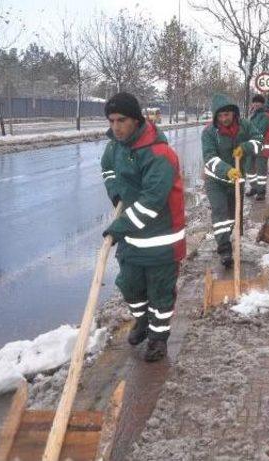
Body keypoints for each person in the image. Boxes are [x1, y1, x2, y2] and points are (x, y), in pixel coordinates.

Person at [101, 92, 186, 362]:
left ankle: (158, 338)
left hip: (161, 240)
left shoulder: (159, 155)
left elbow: (151, 203)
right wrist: (116, 193)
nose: (115, 127)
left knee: (160, 296)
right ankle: (142, 320)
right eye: (112, 120)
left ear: (136, 120)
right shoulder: (116, 146)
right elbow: (107, 169)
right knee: (129, 286)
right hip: (133, 239)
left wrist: (118, 227)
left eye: (121, 120)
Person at [202, 93, 262, 268]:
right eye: (220, 116)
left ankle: (234, 239)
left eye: (226, 115)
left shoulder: (245, 125)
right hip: (216, 180)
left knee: (233, 214)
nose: (224, 119)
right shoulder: (209, 133)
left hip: (238, 178)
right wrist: (226, 170)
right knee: (220, 213)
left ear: (234, 113)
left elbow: (259, 142)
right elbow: (209, 158)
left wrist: (245, 147)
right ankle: (224, 248)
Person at [245, 94, 269, 201]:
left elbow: (259, 131)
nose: (256, 104)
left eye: (258, 102)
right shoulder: (253, 115)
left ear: (262, 104)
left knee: (261, 171)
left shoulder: (266, 116)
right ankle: (254, 187)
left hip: (262, 148)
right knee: (249, 168)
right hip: (251, 146)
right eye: (254, 102)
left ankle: (261, 191)